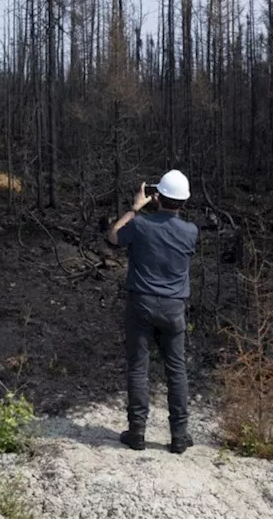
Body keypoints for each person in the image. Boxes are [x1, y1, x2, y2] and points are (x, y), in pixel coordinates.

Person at [105, 169, 199, 453]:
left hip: (141, 304)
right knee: (176, 370)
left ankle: (137, 433)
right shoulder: (191, 231)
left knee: (138, 368)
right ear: (183, 201)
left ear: (157, 197)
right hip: (173, 307)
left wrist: (135, 208)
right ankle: (179, 436)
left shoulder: (142, 225)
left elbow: (113, 237)